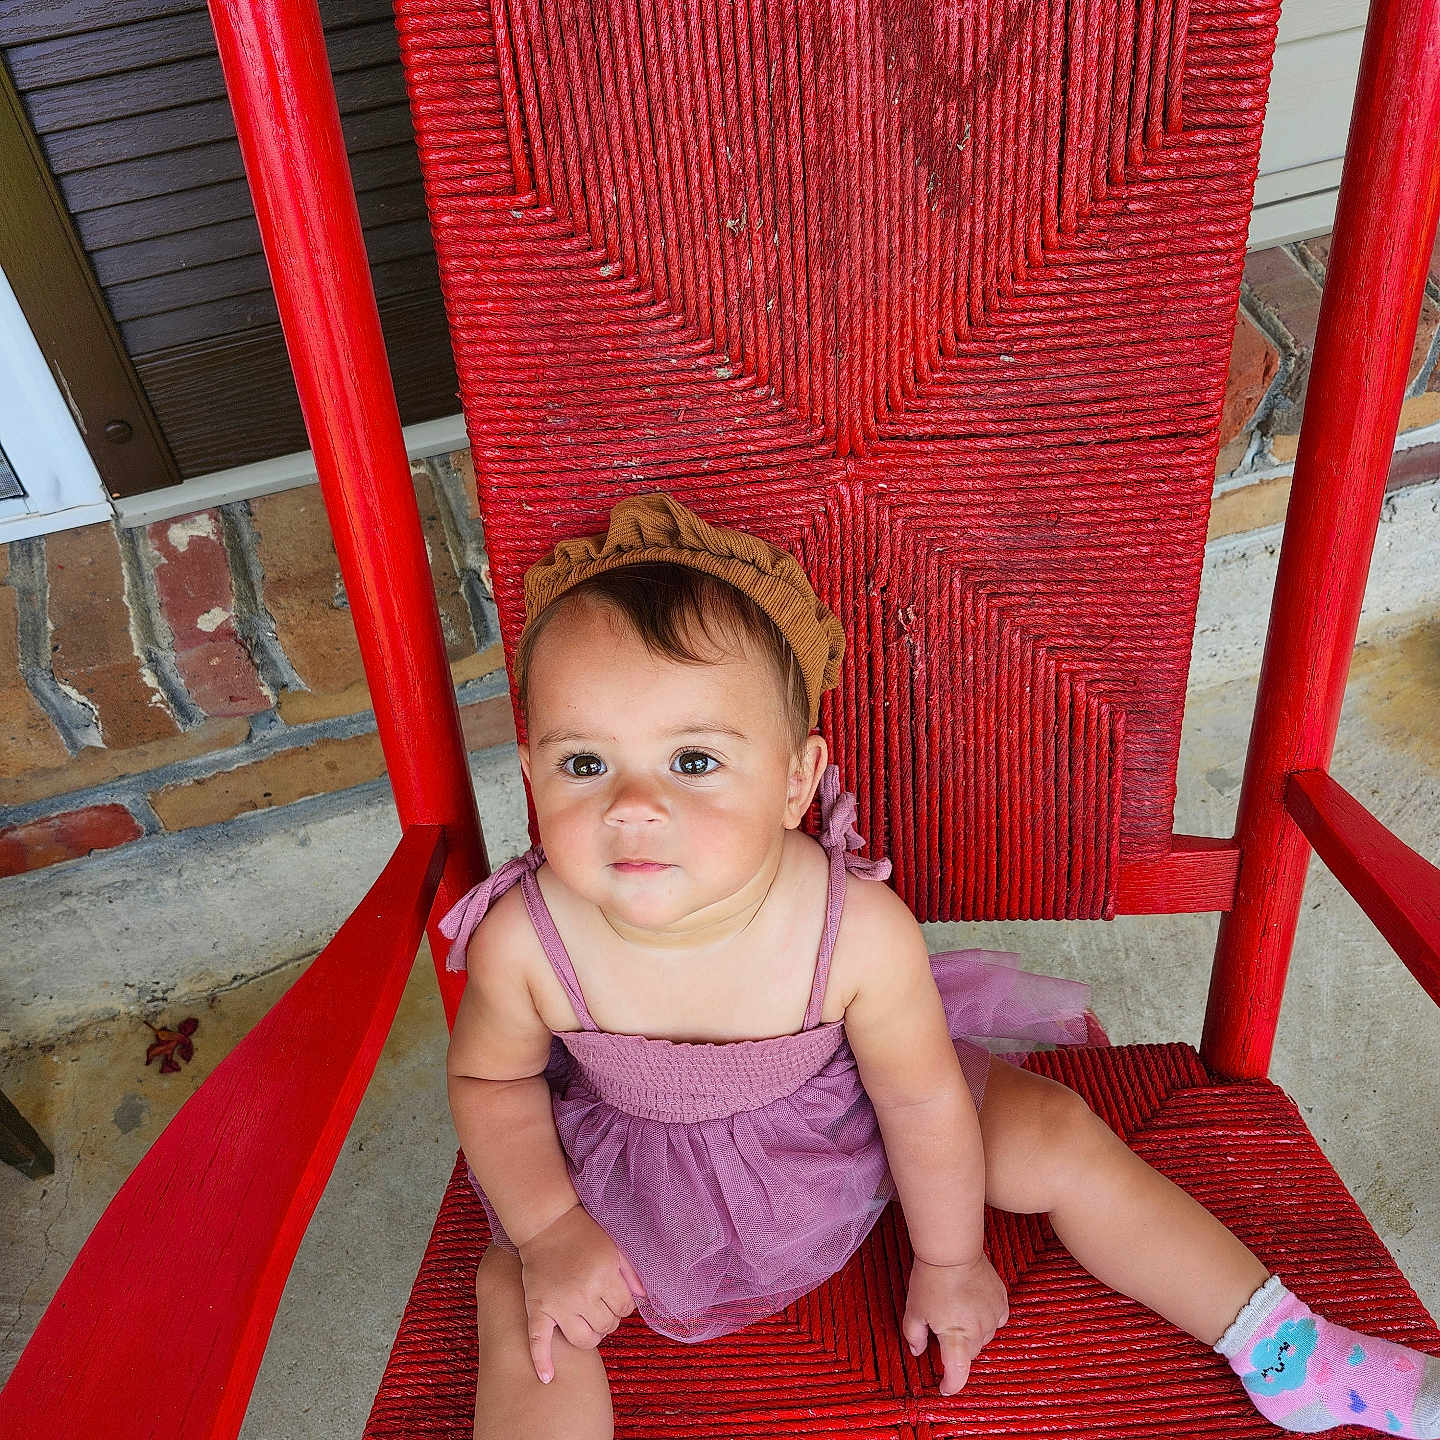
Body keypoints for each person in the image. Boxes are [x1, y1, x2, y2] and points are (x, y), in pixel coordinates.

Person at [443, 491, 1439, 1440]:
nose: (633, 806)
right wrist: (550, 1229)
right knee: (514, 1290)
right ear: (532, 777)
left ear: (796, 780)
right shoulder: (530, 939)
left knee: (1052, 1130)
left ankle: (1288, 1353)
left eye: (694, 761)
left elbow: (918, 1105)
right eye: (585, 765)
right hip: (637, 1184)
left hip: (849, 1130)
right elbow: (491, 1081)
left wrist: (950, 1258)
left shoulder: (853, 930)